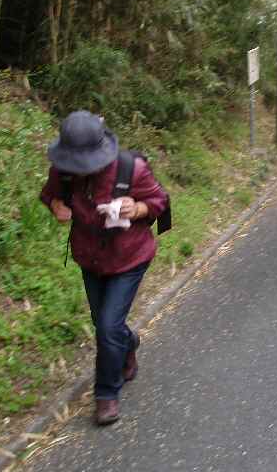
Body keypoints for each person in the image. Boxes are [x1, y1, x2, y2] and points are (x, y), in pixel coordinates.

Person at [39, 111, 169, 426]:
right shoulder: (64, 171)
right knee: (104, 323)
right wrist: (56, 207)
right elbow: (49, 195)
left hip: (130, 256)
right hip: (90, 257)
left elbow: (159, 201)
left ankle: (107, 394)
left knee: (108, 327)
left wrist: (136, 208)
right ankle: (128, 344)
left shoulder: (131, 168)